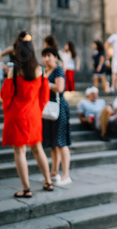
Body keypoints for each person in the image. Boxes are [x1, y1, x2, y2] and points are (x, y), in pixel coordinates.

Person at [1, 39, 54, 197]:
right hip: (33, 114)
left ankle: (26, 189)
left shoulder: (15, 70)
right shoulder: (40, 70)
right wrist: (37, 109)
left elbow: (6, 94)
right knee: (38, 149)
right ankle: (48, 182)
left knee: (20, 152)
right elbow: (44, 95)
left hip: (17, 114)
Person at [41, 48, 72, 186]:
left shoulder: (58, 70)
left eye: (49, 56)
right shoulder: (44, 71)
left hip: (59, 107)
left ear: (55, 57)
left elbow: (60, 88)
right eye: (44, 56)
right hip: (48, 108)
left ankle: (66, 174)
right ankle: (54, 171)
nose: (47, 59)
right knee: (53, 142)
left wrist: (46, 84)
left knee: (61, 142)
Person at [77, 86, 117, 151]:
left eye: (96, 94)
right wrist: (87, 120)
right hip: (96, 121)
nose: (95, 95)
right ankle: (103, 133)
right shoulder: (83, 103)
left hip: (106, 118)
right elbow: (81, 118)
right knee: (107, 108)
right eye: (92, 94)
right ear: (88, 95)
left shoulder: (101, 101)